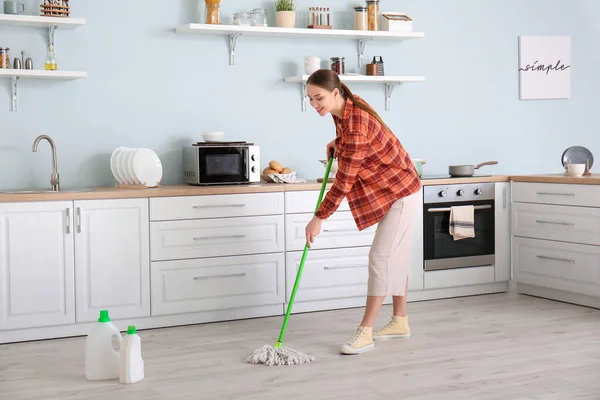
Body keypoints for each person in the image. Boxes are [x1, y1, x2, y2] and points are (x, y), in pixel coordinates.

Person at [304, 69, 422, 355]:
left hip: (400, 193)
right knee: (395, 256)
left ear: (335, 93)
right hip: (389, 191)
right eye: (310, 99)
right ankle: (400, 321)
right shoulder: (345, 108)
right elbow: (352, 144)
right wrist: (338, 144)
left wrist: (319, 217)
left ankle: (365, 331)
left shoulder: (356, 123)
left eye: (318, 98)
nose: (315, 104)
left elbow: (344, 180)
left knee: (381, 257)